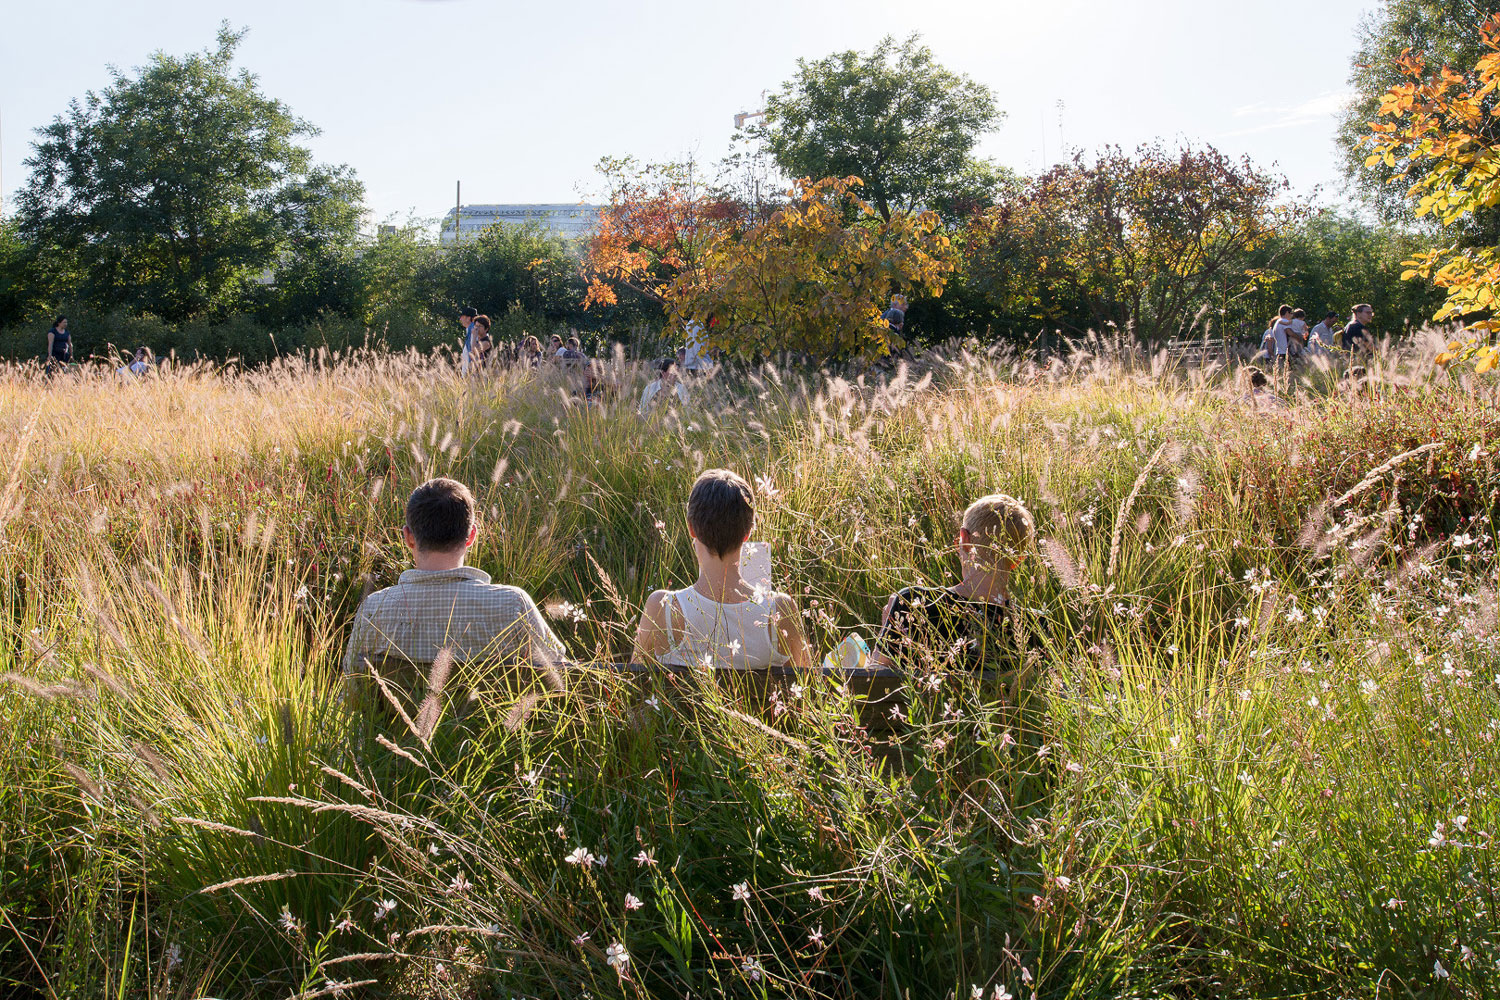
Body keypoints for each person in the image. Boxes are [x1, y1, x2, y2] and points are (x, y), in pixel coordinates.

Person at [342, 477, 570, 684]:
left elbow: (353, 689)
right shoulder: (513, 604)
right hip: (494, 730)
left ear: (408, 537)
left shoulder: (373, 610)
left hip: (393, 731)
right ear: (471, 536)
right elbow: (560, 678)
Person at [632, 469, 813, 671]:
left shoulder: (662, 607)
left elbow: (634, 686)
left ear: (691, 528)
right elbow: (807, 687)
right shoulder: (780, 609)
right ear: (748, 532)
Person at [870, 493, 1038, 675]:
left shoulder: (914, 604)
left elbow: (875, 682)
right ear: (1019, 559)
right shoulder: (1037, 627)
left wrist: (887, 629)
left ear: (964, 539)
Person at [458, 307, 480, 374]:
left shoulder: (474, 331)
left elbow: (474, 353)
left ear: (468, 318)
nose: (460, 319)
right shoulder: (470, 332)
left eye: (462, 316)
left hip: (471, 376)